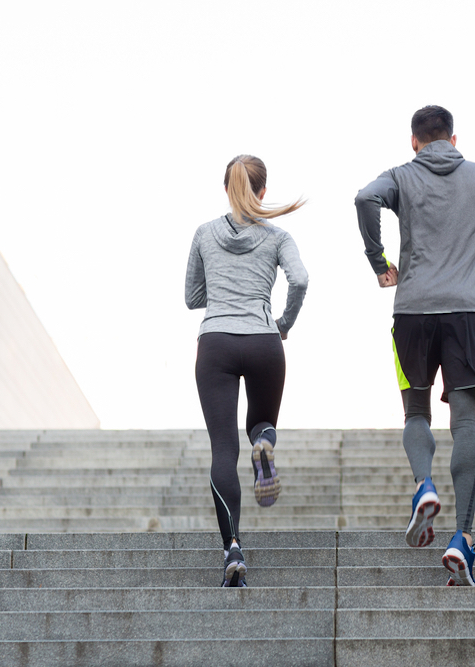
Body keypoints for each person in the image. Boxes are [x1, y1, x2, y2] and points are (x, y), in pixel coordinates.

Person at [355, 105, 475, 586]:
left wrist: (378, 260)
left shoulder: (401, 176)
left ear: (414, 141)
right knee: (466, 419)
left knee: (416, 413)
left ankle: (423, 485)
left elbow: (365, 198)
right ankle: (461, 537)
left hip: (412, 311)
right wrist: (468, 265)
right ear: (453, 137)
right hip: (468, 312)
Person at [185, 155, 308, 587]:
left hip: (216, 341)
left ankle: (233, 548)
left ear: (226, 189)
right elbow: (301, 280)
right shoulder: (278, 236)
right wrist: (284, 324)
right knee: (260, 423)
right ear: (263, 191)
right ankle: (265, 443)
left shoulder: (204, 233)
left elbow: (191, 296)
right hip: (263, 341)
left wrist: (222, 291)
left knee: (223, 450)